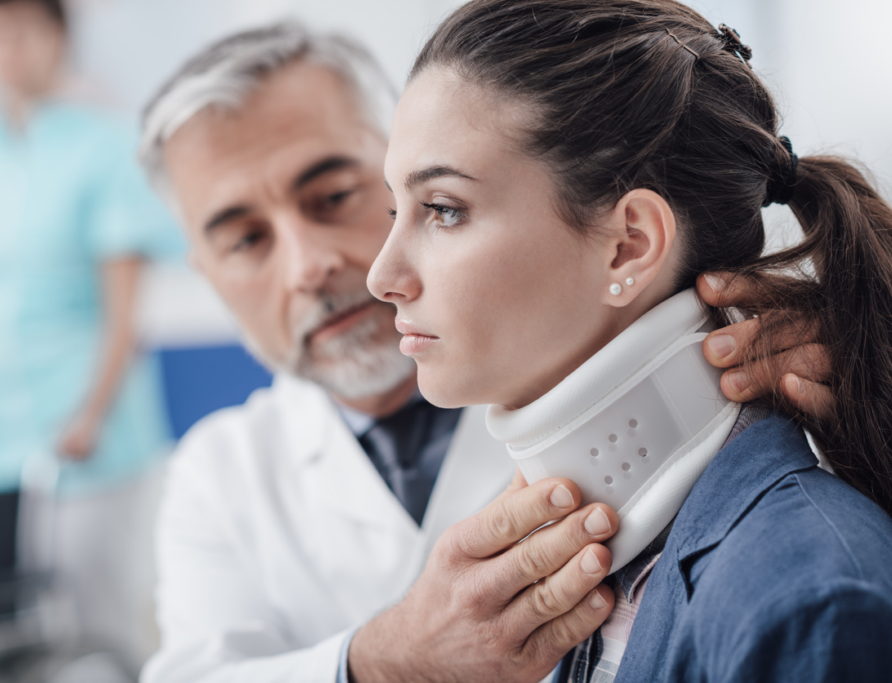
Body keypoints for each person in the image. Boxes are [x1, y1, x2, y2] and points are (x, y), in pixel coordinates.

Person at [137, 22, 832, 683]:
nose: (310, 265)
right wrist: (380, 663)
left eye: (335, 196)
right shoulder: (219, 478)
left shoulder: (745, 385)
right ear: (208, 275)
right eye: (246, 240)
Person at [366, 0, 892, 681]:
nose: (383, 276)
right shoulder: (609, 578)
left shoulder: (810, 605)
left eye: (442, 210)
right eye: (394, 209)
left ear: (630, 245)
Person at [0, 0, 179, 667]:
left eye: (24, 31)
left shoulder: (102, 148)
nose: (9, 49)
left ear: (59, 40)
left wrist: (89, 412)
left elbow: (125, 311)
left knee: (92, 628)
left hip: (85, 441)